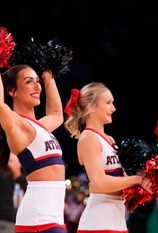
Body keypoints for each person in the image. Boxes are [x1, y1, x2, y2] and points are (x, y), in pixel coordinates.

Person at [0, 60, 66, 233]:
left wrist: (48, 75)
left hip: (53, 216)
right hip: (39, 218)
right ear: (12, 91)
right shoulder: (18, 125)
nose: (36, 86)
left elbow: (56, 114)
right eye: (29, 81)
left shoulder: (39, 127)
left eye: (37, 81)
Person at [64, 82, 152, 233]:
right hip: (98, 222)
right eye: (108, 103)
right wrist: (138, 180)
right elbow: (99, 183)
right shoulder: (88, 138)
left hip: (116, 220)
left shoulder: (109, 139)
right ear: (91, 106)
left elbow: (121, 180)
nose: (114, 108)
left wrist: (147, 178)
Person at [0, 129, 27, 233]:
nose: (9, 164)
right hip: (8, 220)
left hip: (3, 220)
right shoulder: (2, 167)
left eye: (12, 160)